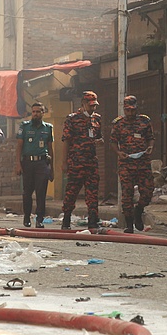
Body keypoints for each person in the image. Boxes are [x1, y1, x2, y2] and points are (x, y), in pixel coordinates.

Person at [109, 94, 155, 233]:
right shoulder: (118, 123)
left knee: (147, 191)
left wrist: (150, 147)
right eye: (127, 110)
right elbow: (113, 142)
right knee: (127, 194)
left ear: (136, 108)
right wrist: (118, 153)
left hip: (142, 162)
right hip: (126, 163)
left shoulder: (144, 121)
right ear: (124, 109)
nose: (130, 113)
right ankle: (129, 224)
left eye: (132, 110)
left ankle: (138, 211)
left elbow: (150, 138)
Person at [60, 90, 104, 231]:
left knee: (92, 193)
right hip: (76, 162)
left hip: (91, 163)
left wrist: (99, 141)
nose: (92, 109)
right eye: (90, 106)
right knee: (71, 192)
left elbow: (98, 136)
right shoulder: (72, 119)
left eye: (94, 106)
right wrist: (64, 162)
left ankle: (93, 220)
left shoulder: (97, 119)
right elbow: (66, 141)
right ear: (83, 104)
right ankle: (66, 218)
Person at [16, 102, 54, 228]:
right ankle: (27, 217)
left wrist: (52, 169)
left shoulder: (48, 128)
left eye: (38, 112)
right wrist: (18, 164)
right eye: (33, 112)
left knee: (41, 192)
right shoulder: (25, 126)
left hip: (42, 163)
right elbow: (19, 146)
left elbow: (50, 148)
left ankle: (39, 219)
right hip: (27, 163)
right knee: (27, 192)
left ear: (43, 113)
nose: (35, 114)